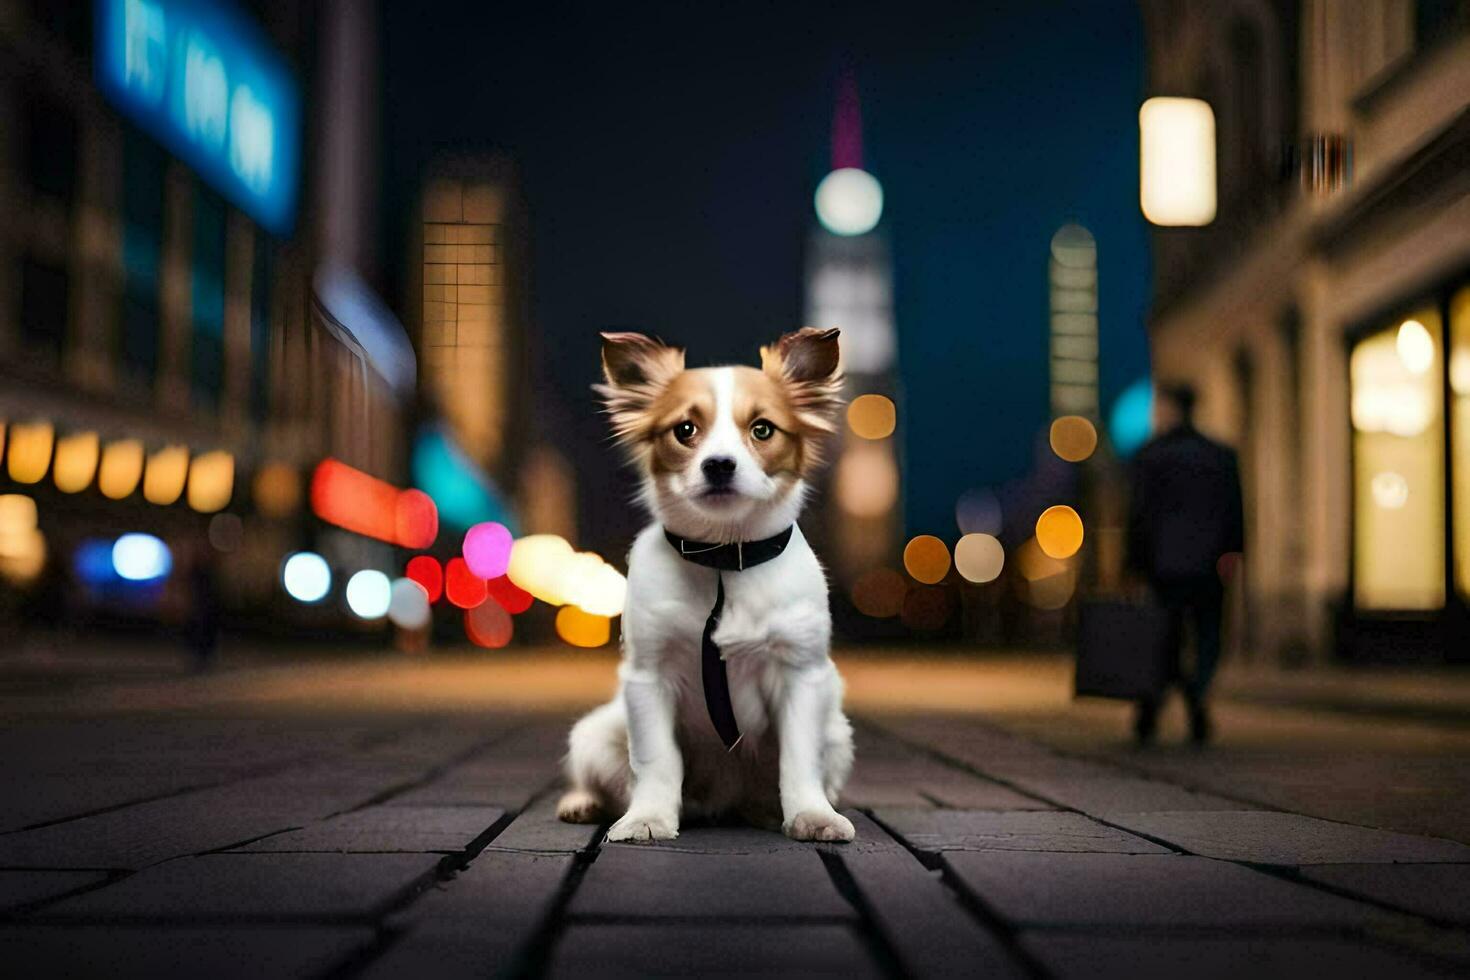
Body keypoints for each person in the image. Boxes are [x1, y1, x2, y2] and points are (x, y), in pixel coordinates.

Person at [1126, 383, 1244, 745]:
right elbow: (1236, 512)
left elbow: (1139, 515)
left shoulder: (1151, 455)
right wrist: (1233, 552)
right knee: (1208, 635)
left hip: (1164, 565)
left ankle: (1156, 702)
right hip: (1208, 564)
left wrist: (1132, 564)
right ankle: (1196, 690)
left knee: (1164, 637)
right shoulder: (1220, 455)